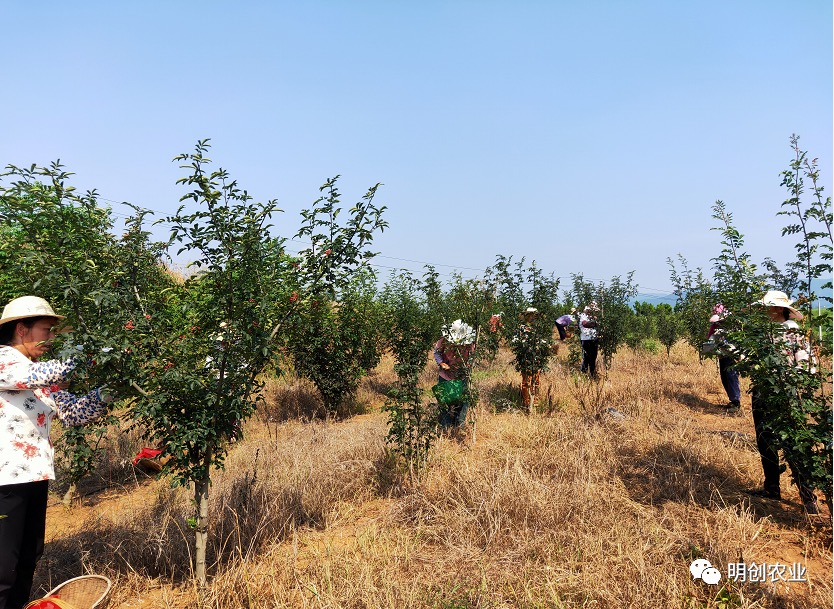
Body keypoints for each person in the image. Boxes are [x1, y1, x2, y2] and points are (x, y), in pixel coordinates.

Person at [0, 296, 112, 609]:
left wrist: (110, 390)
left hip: (35, 474)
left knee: (26, 559)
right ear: (22, 329)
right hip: (5, 480)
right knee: (2, 565)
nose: (51, 338)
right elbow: (41, 375)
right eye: (46, 330)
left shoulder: (40, 374)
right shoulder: (6, 362)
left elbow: (72, 413)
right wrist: (91, 353)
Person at [747, 291, 819, 514]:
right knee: (764, 438)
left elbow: (809, 366)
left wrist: (788, 383)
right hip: (762, 391)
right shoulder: (762, 333)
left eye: (766, 307)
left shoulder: (792, 333)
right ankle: (771, 488)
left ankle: (808, 497)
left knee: (793, 442)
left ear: (778, 309)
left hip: (786, 394)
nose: (762, 311)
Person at [433, 319, 476, 431]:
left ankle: (459, 424)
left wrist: (468, 366)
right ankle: (445, 425)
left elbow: (472, 356)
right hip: (446, 375)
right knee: (445, 400)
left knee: (463, 400)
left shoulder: (468, 342)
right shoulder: (444, 340)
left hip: (462, 375)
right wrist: (441, 363)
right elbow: (437, 352)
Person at [706, 303, 741, 414]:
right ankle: (732, 400)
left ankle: (736, 402)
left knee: (732, 376)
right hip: (722, 356)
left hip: (732, 356)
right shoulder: (715, 327)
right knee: (725, 377)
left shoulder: (733, 326)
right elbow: (709, 343)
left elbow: (739, 340)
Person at [578, 302, 599, 378]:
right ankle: (583, 375)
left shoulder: (594, 317)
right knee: (586, 357)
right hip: (586, 340)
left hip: (594, 339)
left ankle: (592, 374)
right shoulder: (583, 316)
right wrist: (596, 323)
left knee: (593, 357)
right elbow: (585, 324)